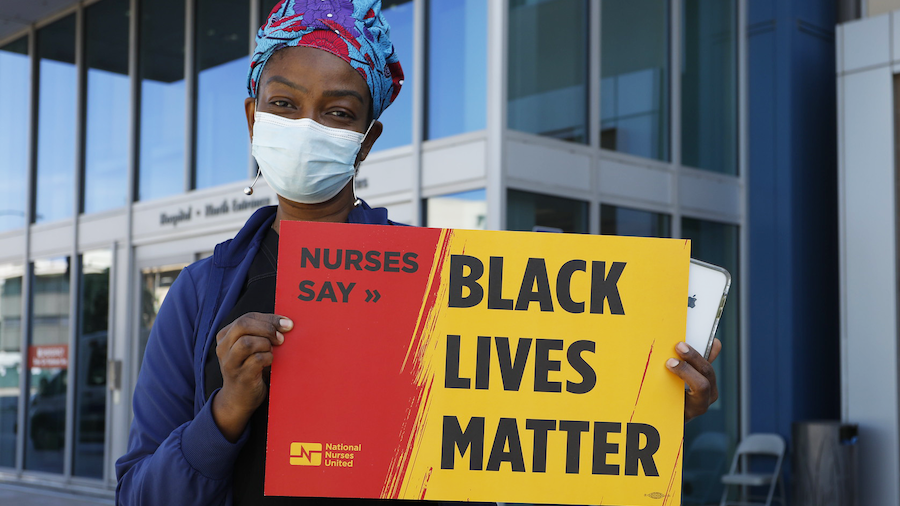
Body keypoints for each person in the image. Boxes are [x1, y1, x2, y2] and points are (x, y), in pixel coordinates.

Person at [115, 1, 721, 505]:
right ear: (253, 117)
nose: (306, 126)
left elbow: (519, 452)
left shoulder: (439, 282)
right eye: (284, 104)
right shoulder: (200, 294)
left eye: (339, 112)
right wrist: (223, 414)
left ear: (368, 139)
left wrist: (645, 410)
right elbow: (136, 494)